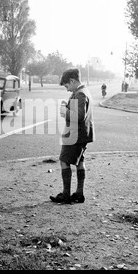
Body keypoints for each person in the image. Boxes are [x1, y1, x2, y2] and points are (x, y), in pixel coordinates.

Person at [50, 68, 95, 204]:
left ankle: (66, 195)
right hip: (83, 134)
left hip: (75, 135)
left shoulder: (80, 94)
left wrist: (65, 111)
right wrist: (67, 106)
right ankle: (79, 194)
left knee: (64, 160)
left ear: (72, 81)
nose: (67, 89)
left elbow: (79, 116)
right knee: (80, 162)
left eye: (67, 86)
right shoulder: (83, 91)